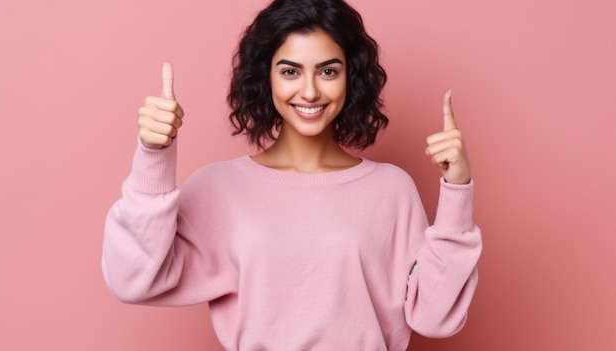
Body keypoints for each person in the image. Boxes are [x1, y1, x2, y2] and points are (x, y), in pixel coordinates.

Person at [102, 0, 482, 349]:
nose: (310, 91)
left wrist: (457, 192)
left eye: (328, 71)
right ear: (266, 77)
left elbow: (436, 317)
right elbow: (132, 279)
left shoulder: (391, 189)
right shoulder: (218, 188)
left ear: (352, 76)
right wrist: (154, 155)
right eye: (290, 71)